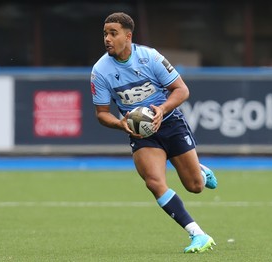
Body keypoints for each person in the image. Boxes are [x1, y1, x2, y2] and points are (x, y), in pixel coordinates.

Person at [90, 12, 218, 253]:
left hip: (170, 122)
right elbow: (102, 113)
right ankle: (198, 234)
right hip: (141, 134)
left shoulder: (149, 57)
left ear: (128, 37)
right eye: (105, 33)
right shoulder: (100, 71)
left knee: (195, 187)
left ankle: (199, 171)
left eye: (113, 33)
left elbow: (181, 90)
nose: (107, 38)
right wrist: (120, 124)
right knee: (154, 182)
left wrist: (161, 109)